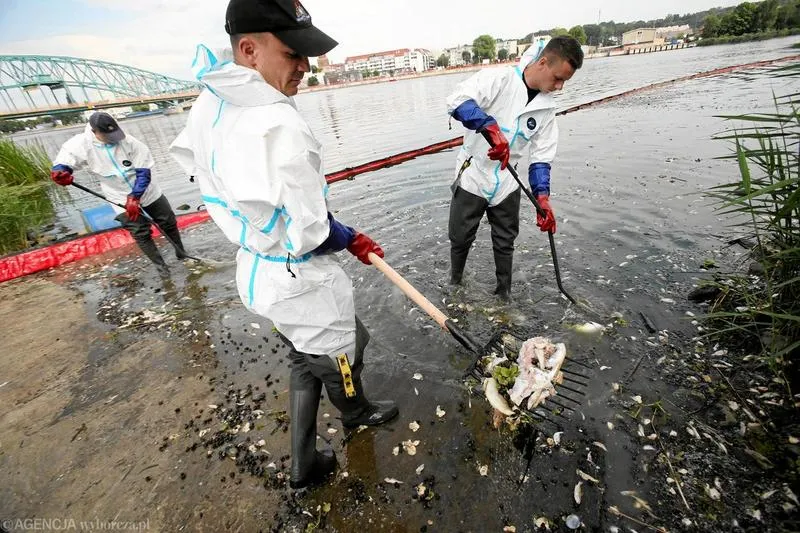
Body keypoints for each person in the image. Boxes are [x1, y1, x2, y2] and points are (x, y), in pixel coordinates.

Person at [169, 0, 398, 490]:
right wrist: (350, 236)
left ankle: (303, 461)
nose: (305, 68)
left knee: (301, 354)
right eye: (294, 54)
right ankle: (357, 412)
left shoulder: (210, 102)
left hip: (258, 270)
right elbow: (312, 232)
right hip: (298, 276)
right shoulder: (280, 124)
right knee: (345, 351)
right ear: (250, 50)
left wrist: (331, 228)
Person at [445, 36, 584, 301]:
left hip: (508, 178)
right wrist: (489, 127)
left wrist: (542, 198)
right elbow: (456, 100)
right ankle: (455, 282)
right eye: (558, 78)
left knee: (505, 240)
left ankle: (504, 294)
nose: (560, 87)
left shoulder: (546, 108)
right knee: (461, 237)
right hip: (474, 173)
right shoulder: (500, 79)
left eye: (564, 81)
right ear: (543, 62)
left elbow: (541, 156)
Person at [50, 112, 187, 277]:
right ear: (94, 132)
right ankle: (162, 269)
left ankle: (182, 254)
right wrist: (60, 173)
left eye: (115, 133)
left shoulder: (131, 142)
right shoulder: (80, 144)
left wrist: (135, 196)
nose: (113, 138)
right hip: (117, 195)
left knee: (168, 221)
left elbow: (144, 173)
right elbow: (64, 162)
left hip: (147, 191)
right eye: (107, 135)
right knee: (140, 232)